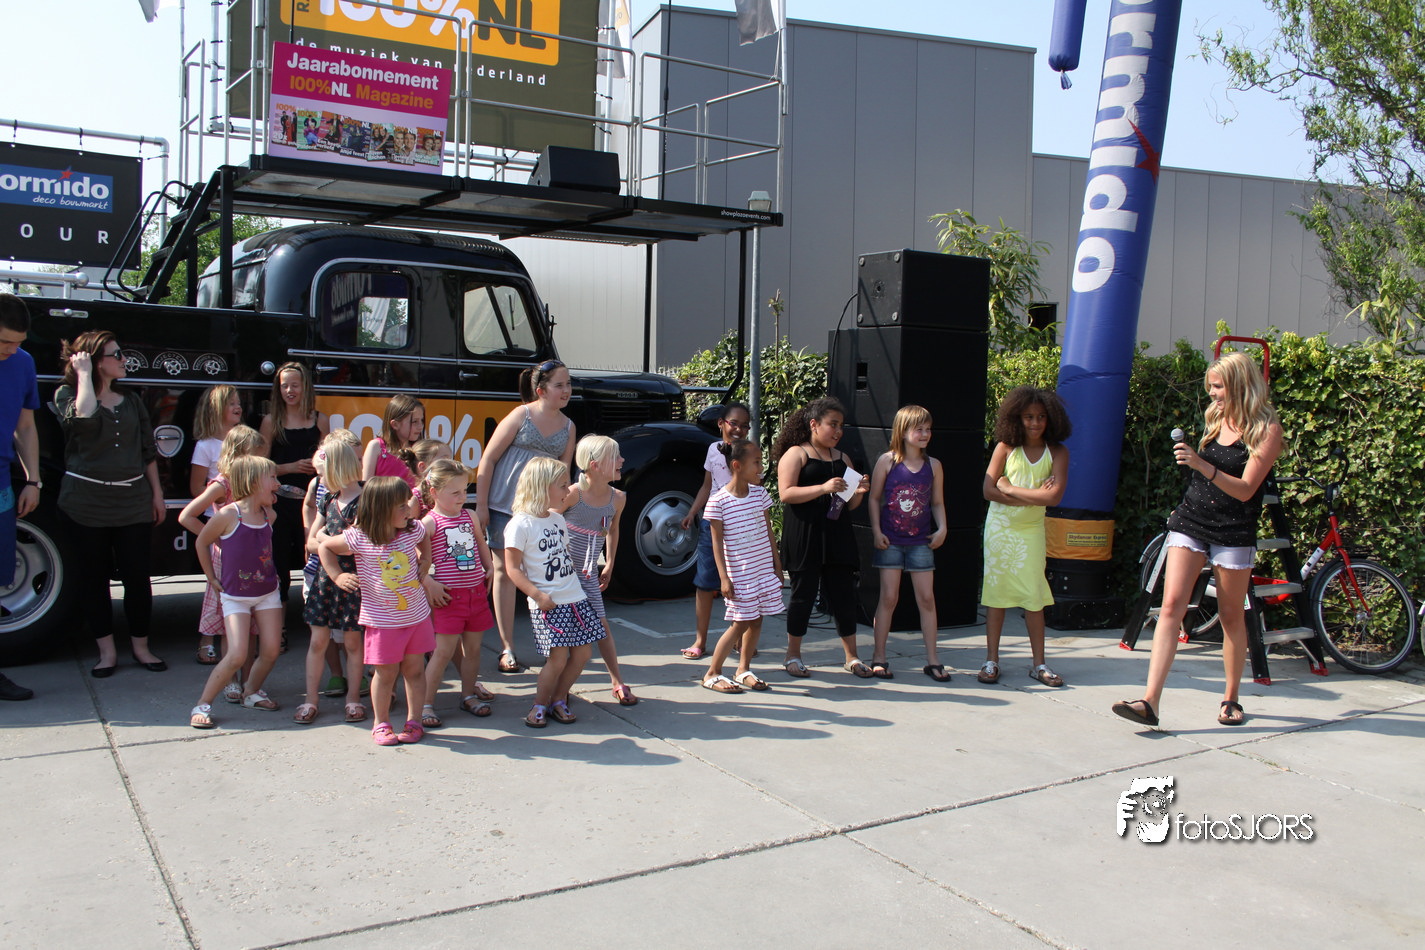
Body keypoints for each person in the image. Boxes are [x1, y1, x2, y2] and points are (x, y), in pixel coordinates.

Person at [1113, 352, 1283, 728]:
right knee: (1171, 605)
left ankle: (1231, 698)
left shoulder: (1267, 429)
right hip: (1191, 520)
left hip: (1234, 528)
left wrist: (1201, 464)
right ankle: (1149, 701)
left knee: (1231, 615)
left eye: (1218, 387)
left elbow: (1246, 489)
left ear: (1239, 384)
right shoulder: (1216, 417)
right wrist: (1196, 468)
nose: (1213, 394)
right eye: (1211, 388)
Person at [55, 331, 167, 677]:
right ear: (94, 360)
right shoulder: (68, 395)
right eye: (116, 354)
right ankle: (106, 653)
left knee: (137, 577)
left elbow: (147, 450)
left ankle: (141, 648)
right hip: (86, 503)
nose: (124, 360)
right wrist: (84, 376)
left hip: (132, 501)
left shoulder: (131, 400)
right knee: (94, 578)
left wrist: (157, 494)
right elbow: (85, 420)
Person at [476, 360, 575, 675]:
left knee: (544, 575)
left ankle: (551, 645)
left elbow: (564, 473)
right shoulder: (521, 415)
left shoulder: (569, 427)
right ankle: (507, 648)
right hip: (504, 506)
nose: (566, 390)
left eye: (568, 384)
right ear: (541, 390)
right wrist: (481, 505)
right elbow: (488, 459)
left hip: (541, 513)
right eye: (559, 385)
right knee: (505, 573)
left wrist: (558, 512)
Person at [320, 477, 434, 746]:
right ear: (380, 508)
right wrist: (337, 575)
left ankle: (414, 722)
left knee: (415, 671)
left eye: (407, 503)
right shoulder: (359, 537)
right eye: (401, 506)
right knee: (385, 674)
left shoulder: (412, 529)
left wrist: (426, 560)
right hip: (382, 623)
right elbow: (325, 546)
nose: (409, 510)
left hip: (416, 617)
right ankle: (381, 723)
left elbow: (424, 538)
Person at [978, 386, 1072, 688]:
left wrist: (1010, 489)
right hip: (1000, 530)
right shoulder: (1005, 447)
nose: (1035, 423)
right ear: (1016, 418)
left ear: (1051, 418)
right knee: (996, 595)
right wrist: (1033, 496)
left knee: (1034, 596)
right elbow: (988, 490)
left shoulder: (1058, 452)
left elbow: (1054, 497)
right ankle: (991, 660)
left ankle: (1039, 664)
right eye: (1029, 417)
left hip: (1031, 531)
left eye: (1041, 417)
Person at [502, 457, 605, 729]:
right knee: (557, 660)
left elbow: (565, 555)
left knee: (583, 654)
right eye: (561, 485)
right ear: (541, 487)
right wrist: (537, 596)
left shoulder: (558, 519)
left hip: (575, 598)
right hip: (548, 603)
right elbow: (512, 569)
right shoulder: (520, 524)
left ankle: (559, 699)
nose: (567, 491)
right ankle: (539, 704)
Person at [774, 397, 869, 678]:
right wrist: (823, 487)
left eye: (841, 426)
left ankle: (852, 657)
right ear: (814, 424)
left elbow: (848, 505)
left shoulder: (843, 458)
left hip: (837, 535)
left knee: (844, 595)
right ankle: (793, 655)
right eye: (833, 424)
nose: (838, 431)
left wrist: (858, 493)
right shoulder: (796, 454)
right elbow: (786, 493)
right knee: (802, 595)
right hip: (805, 533)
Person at [189, 457, 284, 727]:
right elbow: (202, 542)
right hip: (235, 597)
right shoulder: (228, 515)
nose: (278, 484)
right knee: (237, 654)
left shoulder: (269, 515)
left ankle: (251, 691)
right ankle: (203, 704)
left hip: (268, 592)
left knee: (271, 650)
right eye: (272, 478)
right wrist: (211, 577)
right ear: (253, 482)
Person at [179, 425, 266, 694]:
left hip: (253, 559)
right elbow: (186, 516)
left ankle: (249, 681)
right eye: (255, 456)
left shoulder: (252, 483)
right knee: (233, 624)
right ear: (239, 455)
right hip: (228, 562)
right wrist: (216, 538)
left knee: (251, 625)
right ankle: (231, 681)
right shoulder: (223, 484)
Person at [868, 405, 949, 681]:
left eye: (928, 429)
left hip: (921, 543)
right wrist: (876, 531)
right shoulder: (887, 462)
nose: (925, 434)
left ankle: (933, 660)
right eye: (919, 429)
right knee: (889, 597)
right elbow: (874, 498)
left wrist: (943, 528)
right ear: (903, 432)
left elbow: (937, 502)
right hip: (891, 541)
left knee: (926, 598)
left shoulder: (934, 465)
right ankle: (879, 656)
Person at [701, 439, 784, 694]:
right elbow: (716, 544)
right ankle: (712, 672)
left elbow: (768, 531)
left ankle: (743, 669)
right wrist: (724, 578)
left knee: (757, 620)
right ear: (737, 465)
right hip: (741, 575)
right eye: (756, 462)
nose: (761, 467)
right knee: (740, 622)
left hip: (762, 571)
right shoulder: (718, 501)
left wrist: (777, 565)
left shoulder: (760, 494)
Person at [418, 459, 496, 726]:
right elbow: (417, 560)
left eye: (465, 490)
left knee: (473, 651)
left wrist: (490, 567)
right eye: (455, 492)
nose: (462, 497)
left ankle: (468, 695)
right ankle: (425, 704)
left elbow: (481, 544)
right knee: (442, 653)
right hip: (449, 598)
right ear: (434, 492)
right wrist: (429, 583)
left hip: (476, 594)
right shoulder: (429, 523)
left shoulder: (469, 516)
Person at [295, 436, 366, 725]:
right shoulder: (328, 499)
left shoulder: (366, 500)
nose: (320, 478)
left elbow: (351, 546)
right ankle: (311, 700)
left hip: (352, 581)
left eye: (324, 471)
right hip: (326, 580)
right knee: (317, 642)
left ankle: (353, 699)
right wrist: (327, 541)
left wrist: (324, 540)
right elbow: (311, 543)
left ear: (338, 468)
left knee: (353, 643)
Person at [562, 435, 637, 705]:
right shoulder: (573, 494)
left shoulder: (618, 498)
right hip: (562, 578)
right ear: (594, 465)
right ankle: (559, 686)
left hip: (588, 576)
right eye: (615, 457)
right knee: (564, 632)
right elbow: (546, 524)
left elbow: (612, 530)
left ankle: (617, 681)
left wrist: (610, 563)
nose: (622, 461)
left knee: (601, 626)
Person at [678, 402, 752, 660]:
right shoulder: (712, 449)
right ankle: (700, 641)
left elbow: (754, 486)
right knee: (705, 581)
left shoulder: (749, 452)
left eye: (745, 426)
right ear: (721, 423)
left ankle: (740, 640)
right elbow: (707, 486)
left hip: (740, 525)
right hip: (712, 523)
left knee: (740, 583)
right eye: (734, 423)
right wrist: (691, 513)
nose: (739, 429)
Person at [258, 362, 328, 612]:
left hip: (312, 500)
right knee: (278, 561)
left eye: (295, 385)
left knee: (313, 556)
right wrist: (291, 467)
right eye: (284, 386)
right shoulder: (271, 421)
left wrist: (317, 465)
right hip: (280, 500)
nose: (289, 390)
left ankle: (317, 615)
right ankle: (279, 621)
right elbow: (260, 467)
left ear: (305, 387)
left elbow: (328, 460)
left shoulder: (320, 419)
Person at [0, 294, 39, 701]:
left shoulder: (23, 363)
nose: (11, 350)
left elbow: (25, 426)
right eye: (4, 342)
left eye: (17, 342)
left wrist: (33, 479)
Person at [188, 383, 245, 665]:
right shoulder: (206, 446)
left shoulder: (243, 442)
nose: (238, 407)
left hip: (244, 525)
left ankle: (239, 639)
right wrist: (219, 496)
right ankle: (206, 640)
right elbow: (196, 488)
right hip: (219, 524)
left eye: (238, 402)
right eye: (231, 403)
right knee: (217, 586)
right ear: (215, 409)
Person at [361, 394, 425, 490]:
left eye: (422, 420)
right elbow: (366, 486)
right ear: (395, 424)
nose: (420, 426)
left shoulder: (419, 450)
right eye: (414, 421)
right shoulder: (376, 447)